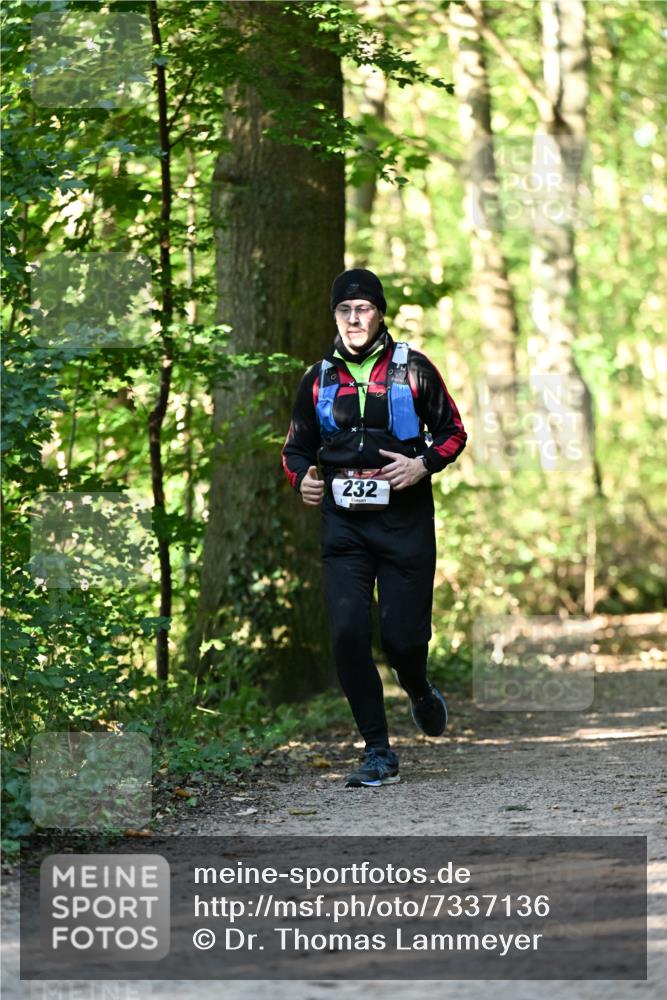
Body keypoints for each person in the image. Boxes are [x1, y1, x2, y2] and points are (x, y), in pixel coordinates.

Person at [281, 268, 467, 788]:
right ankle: (377, 750)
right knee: (346, 632)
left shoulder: (414, 370)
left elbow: (454, 432)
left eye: (364, 309)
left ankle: (419, 688)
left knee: (402, 640)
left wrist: (421, 465)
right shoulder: (317, 379)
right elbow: (295, 447)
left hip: (404, 524)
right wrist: (303, 480)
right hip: (344, 529)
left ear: (380, 313)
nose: (354, 318)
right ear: (335, 316)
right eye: (345, 309)